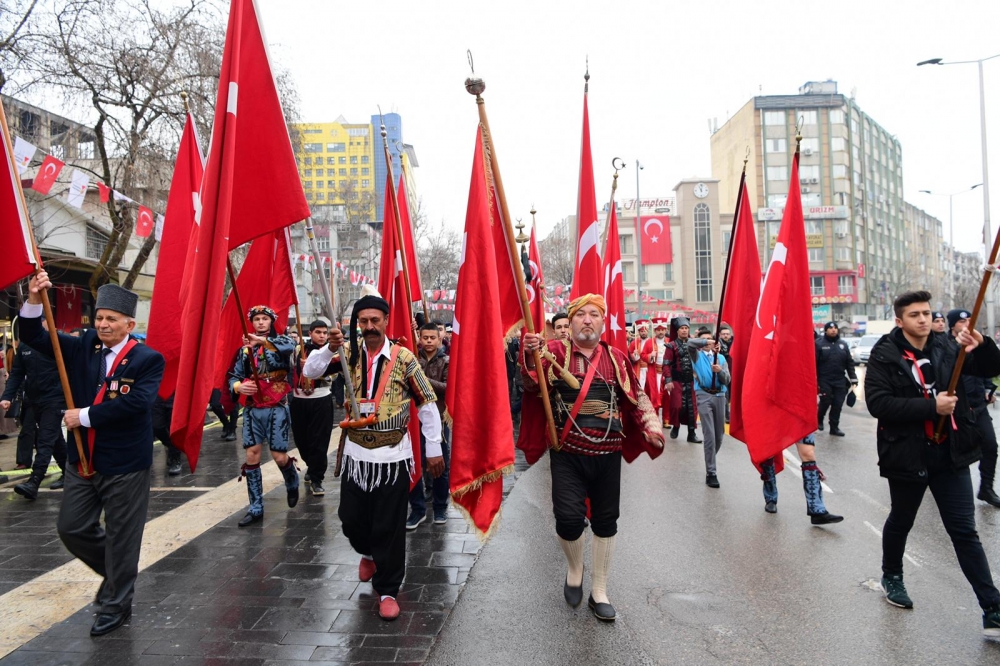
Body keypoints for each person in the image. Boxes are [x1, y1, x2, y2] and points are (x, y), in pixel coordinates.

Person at [20, 273, 164, 637]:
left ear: (129, 324)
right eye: (99, 317)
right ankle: (116, 575)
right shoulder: (84, 346)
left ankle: (116, 604)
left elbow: (137, 403)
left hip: (125, 464)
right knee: (71, 527)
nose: (103, 324)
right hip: (82, 460)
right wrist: (35, 299)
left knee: (123, 538)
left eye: (111, 319)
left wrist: (83, 416)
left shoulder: (148, 359)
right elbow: (35, 336)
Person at [520, 294, 663, 622]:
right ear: (570, 322)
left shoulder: (617, 358)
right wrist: (529, 353)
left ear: (602, 322)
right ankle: (575, 568)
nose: (587, 319)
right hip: (567, 453)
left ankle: (599, 591)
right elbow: (530, 384)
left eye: (594, 314)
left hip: (608, 453)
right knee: (568, 520)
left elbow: (637, 396)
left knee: (605, 521)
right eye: (581, 314)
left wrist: (651, 426)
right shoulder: (554, 352)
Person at [303, 287, 444, 621]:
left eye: (375, 320)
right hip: (356, 457)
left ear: (385, 321)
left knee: (390, 526)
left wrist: (434, 448)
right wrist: (329, 347)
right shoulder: (347, 353)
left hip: (393, 458)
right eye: (364, 320)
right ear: (358, 323)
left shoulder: (405, 358)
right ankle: (367, 552)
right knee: (351, 519)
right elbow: (310, 372)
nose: (369, 326)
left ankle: (388, 589)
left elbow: (427, 403)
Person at [866, 291, 1000, 636]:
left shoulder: (946, 347)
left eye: (926, 313)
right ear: (900, 320)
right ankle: (892, 575)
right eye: (915, 315)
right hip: (907, 454)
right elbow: (879, 404)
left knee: (964, 531)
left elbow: (990, 369)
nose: (924, 319)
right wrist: (931, 407)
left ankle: (992, 607)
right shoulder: (885, 354)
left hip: (949, 453)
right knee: (902, 520)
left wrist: (982, 344)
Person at [229, 305, 299, 527]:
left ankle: (291, 479)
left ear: (271, 322)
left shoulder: (282, 341)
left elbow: (290, 347)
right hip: (253, 407)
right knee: (252, 455)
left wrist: (261, 342)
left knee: (279, 456)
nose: (260, 322)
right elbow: (233, 376)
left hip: (277, 405)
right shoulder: (244, 350)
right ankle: (256, 507)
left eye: (264, 319)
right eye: (257, 319)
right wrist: (239, 387)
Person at [1, 339, 67, 497]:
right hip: (34, 400)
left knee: (45, 438)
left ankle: (35, 480)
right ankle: (69, 473)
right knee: (55, 438)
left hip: (55, 399)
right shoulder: (25, 346)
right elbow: (17, 372)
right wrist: (7, 396)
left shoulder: (58, 341)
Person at [947, 309, 1000, 508]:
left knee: (990, 446)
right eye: (962, 321)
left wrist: (988, 388)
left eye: (970, 320)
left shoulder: (975, 342)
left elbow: (985, 368)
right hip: (958, 408)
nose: (967, 324)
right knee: (958, 452)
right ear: (953, 325)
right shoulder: (947, 347)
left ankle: (986, 488)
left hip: (978, 405)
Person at [408, 322, 451, 528]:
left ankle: (440, 506)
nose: (428, 341)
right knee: (415, 461)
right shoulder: (412, 359)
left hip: (439, 418)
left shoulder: (446, 361)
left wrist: (422, 379)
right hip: (413, 419)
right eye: (425, 337)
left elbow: (448, 387)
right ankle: (418, 506)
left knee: (440, 464)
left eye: (432, 337)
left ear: (439, 338)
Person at [290, 320, 338, 497]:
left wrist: (313, 368)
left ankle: (317, 479)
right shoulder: (298, 349)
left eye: (325, 333)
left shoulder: (330, 352)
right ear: (310, 333)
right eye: (318, 332)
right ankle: (311, 465)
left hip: (320, 399)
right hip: (299, 400)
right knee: (301, 440)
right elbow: (290, 367)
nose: (322, 336)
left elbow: (333, 374)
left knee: (319, 441)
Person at [661, 317, 708, 443]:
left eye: (686, 328)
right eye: (682, 328)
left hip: (691, 381)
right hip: (677, 381)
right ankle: (676, 426)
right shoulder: (671, 346)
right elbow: (666, 364)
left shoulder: (694, 344)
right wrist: (668, 380)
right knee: (677, 406)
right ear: (677, 330)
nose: (684, 330)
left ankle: (691, 433)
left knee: (692, 407)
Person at [692, 327, 729, 488]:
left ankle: (710, 457)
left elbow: (727, 380)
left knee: (719, 436)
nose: (708, 342)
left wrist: (719, 371)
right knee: (709, 435)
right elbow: (690, 344)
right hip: (703, 395)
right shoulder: (696, 355)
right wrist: (705, 341)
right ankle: (711, 472)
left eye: (710, 339)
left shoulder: (720, 358)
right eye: (705, 340)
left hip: (720, 396)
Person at [816, 321, 858, 436]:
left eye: (835, 327)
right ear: (826, 330)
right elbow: (813, 363)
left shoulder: (843, 345)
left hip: (840, 380)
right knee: (826, 400)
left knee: (838, 404)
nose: (833, 329)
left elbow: (849, 363)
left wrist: (853, 378)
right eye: (830, 328)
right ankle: (819, 419)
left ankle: (834, 427)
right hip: (824, 379)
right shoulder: (819, 344)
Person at [151, 394, 183, 476]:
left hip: (175, 396)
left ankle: (175, 459)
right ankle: (172, 447)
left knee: (174, 429)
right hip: (158, 396)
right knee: (156, 426)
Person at [629, 320, 653, 388]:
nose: (643, 333)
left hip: (649, 368)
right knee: (639, 387)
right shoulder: (634, 343)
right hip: (638, 368)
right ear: (639, 332)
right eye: (641, 331)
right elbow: (629, 355)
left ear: (647, 331)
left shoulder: (652, 342)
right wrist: (634, 355)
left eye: (644, 331)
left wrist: (651, 356)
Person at [718, 325, 734, 423]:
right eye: (723, 334)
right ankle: (727, 416)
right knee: (725, 395)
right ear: (720, 335)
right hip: (723, 373)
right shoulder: (717, 345)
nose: (726, 336)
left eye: (727, 334)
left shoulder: (734, 344)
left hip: (733, 372)